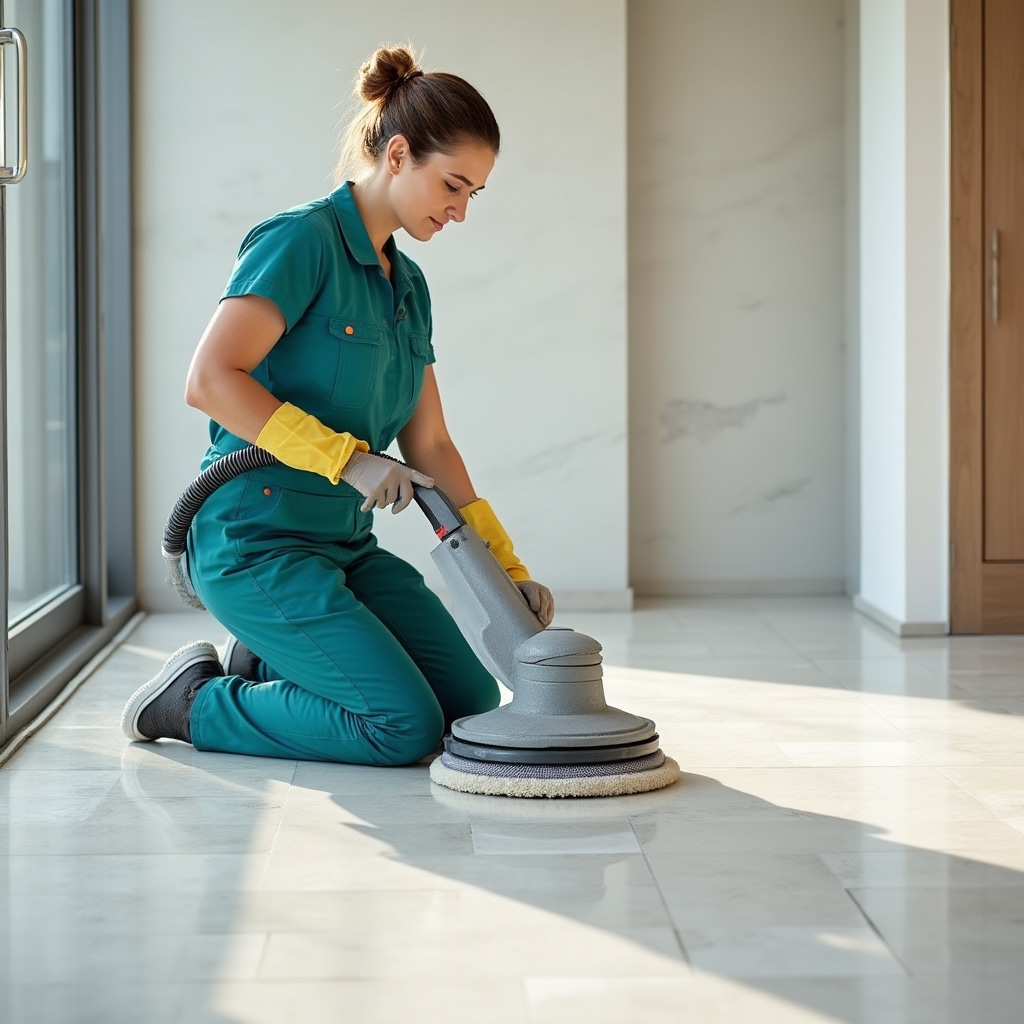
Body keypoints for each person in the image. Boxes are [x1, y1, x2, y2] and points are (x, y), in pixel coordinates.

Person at [120, 45, 554, 766]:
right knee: (402, 727)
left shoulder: (407, 286)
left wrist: (504, 572)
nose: (461, 210)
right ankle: (194, 702)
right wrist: (346, 459)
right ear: (399, 154)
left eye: (474, 193)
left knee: (468, 703)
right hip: (254, 540)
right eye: (453, 185)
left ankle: (268, 661)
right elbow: (210, 378)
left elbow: (434, 446)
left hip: (342, 544)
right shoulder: (300, 242)